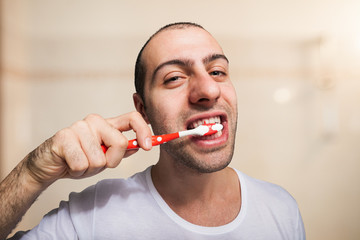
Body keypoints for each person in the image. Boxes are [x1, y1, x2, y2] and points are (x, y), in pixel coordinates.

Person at [0, 22, 305, 239]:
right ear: (142, 108)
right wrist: (31, 173)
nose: (209, 89)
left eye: (217, 71)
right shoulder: (90, 217)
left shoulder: (281, 209)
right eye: (173, 78)